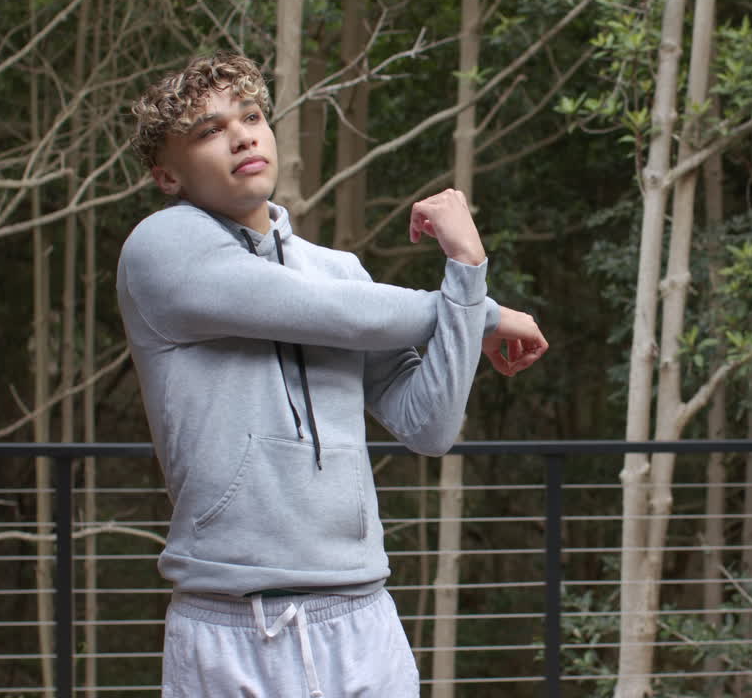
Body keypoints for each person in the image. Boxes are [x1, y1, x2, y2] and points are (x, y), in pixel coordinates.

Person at [117, 52, 547, 697]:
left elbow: (427, 427)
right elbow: (333, 315)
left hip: (362, 617)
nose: (242, 136)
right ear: (167, 175)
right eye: (209, 131)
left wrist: (466, 265)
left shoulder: (340, 269)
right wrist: (483, 315)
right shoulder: (160, 248)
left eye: (253, 116)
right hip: (234, 626)